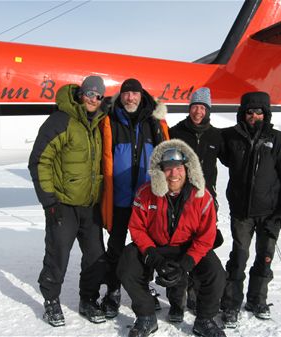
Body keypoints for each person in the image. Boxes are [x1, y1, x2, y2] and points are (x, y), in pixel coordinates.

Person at [117, 139, 226, 337]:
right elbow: (137, 228)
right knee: (127, 263)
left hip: (187, 248)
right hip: (155, 246)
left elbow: (206, 237)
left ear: (187, 169)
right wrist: (153, 256)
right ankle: (146, 317)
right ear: (160, 171)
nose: (174, 174)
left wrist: (186, 263)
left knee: (216, 273)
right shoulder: (145, 193)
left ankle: (205, 320)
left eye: (178, 168)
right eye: (168, 168)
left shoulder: (203, 196)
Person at [28, 75, 108, 326]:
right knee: (58, 253)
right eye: (90, 93)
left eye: (98, 95)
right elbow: (40, 160)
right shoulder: (61, 120)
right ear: (80, 94)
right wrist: (49, 202)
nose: (93, 99)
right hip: (63, 204)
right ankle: (51, 301)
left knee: (96, 256)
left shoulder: (99, 123)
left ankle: (88, 299)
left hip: (90, 204)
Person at [219, 91, 281, 328]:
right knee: (239, 258)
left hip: (270, 213)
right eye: (249, 112)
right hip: (241, 213)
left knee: (264, 258)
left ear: (265, 114)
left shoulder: (279, 140)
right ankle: (231, 304)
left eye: (258, 112)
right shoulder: (231, 138)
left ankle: (257, 300)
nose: (254, 116)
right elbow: (207, 143)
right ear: (242, 114)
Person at [99, 78, 169, 318]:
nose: (130, 98)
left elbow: (165, 156)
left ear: (141, 95)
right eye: (126, 94)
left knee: (145, 246)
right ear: (121, 96)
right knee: (115, 246)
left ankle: (144, 287)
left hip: (146, 201)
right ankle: (113, 290)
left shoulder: (154, 122)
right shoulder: (111, 120)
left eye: (134, 94)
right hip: (119, 199)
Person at [169, 87, 225, 313]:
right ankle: (176, 301)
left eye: (202, 107)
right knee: (176, 245)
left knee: (201, 245)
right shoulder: (175, 132)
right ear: (189, 109)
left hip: (206, 200)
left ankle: (195, 293)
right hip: (178, 198)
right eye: (194, 107)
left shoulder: (216, 136)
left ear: (208, 110)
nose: (198, 111)